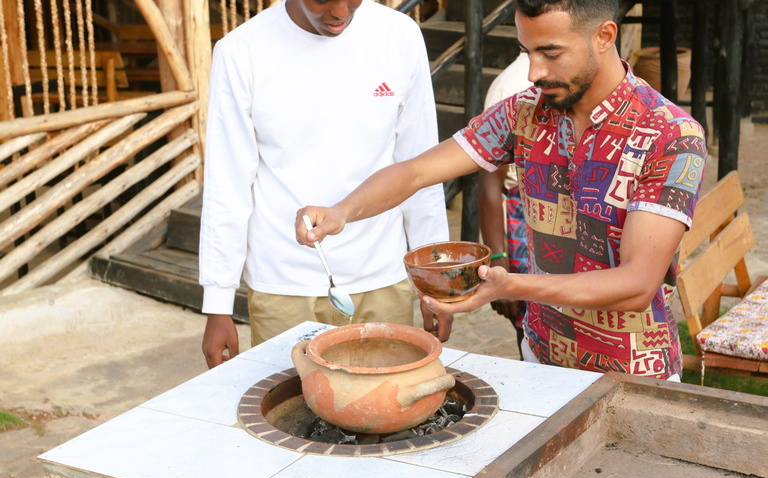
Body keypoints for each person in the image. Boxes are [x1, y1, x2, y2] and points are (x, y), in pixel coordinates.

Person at [296, 0, 707, 381]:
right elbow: (417, 171)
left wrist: (511, 284)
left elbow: (636, 285)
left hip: (635, 372)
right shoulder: (525, 110)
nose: (534, 72)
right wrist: (343, 211)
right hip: (540, 357)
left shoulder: (671, 135)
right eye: (527, 52)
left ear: (604, 36)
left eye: (550, 53)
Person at [199, 0, 453, 369]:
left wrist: (435, 282)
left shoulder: (399, 36)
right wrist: (218, 304)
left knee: (385, 406)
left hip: (382, 275)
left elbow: (420, 169)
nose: (339, 11)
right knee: (289, 411)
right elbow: (228, 184)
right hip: (283, 284)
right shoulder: (241, 50)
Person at [479, 53, 532, 358]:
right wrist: (498, 259)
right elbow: (489, 181)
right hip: (523, 221)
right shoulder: (509, 88)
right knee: (529, 328)